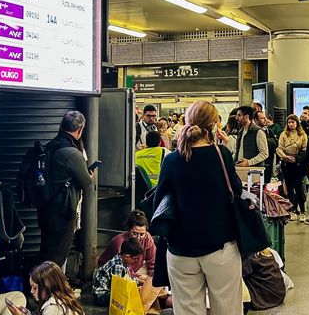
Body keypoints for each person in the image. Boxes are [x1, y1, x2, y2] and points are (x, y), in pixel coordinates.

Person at [153, 100, 243, 315]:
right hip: (220, 247)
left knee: (187, 310)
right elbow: (236, 192)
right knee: (227, 309)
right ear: (213, 125)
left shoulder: (172, 160)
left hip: (180, 250)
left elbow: (159, 204)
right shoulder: (221, 155)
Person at [38, 111, 94, 266]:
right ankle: (49, 288)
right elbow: (86, 182)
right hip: (62, 212)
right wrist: (91, 175)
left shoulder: (51, 146)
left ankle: (40, 286)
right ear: (80, 130)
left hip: (45, 208)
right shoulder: (72, 153)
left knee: (47, 252)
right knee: (57, 256)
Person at [98, 210, 157, 278]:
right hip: (113, 271)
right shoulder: (119, 242)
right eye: (135, 233)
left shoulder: (147, 238)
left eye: (142, 234)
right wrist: (137, 278)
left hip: (134, 270)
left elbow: (152, 262)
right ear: (129, 230)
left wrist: (153, 279)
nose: (138, 237)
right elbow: (120, 268)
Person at [16, 261, 84, 315]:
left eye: (35, 288)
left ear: (47, 286)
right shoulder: (62, 300)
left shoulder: (53, 307)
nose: (31, 291)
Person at [92, 238, 144, 306]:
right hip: (101, 296)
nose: (136, 261)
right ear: (127, 257)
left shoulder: (122, 260)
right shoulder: (117, 266)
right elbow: (120, 287)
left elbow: (128, 278)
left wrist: (140, 281)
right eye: (135, 259)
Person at [276, 114, 309, 220]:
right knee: (289, 188)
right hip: (286, 163)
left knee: (299, 187)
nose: (291, 124)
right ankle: (293, 210)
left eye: (293, 122)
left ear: (297, 123)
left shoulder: (302, 135)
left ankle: (303, 211)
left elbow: (304, 150)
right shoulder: (283, 134)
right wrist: (284, 156)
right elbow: (279, 148)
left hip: (297, 163)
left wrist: (296, 158)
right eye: (289, 122)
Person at [232, 106, 269, 174]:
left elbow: (264, 153)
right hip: (240, 169)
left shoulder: (258, 131)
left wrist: (249, 162)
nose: (236, 118)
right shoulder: (241, 131)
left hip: (253, 171)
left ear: (246, 116)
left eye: (239, 115)